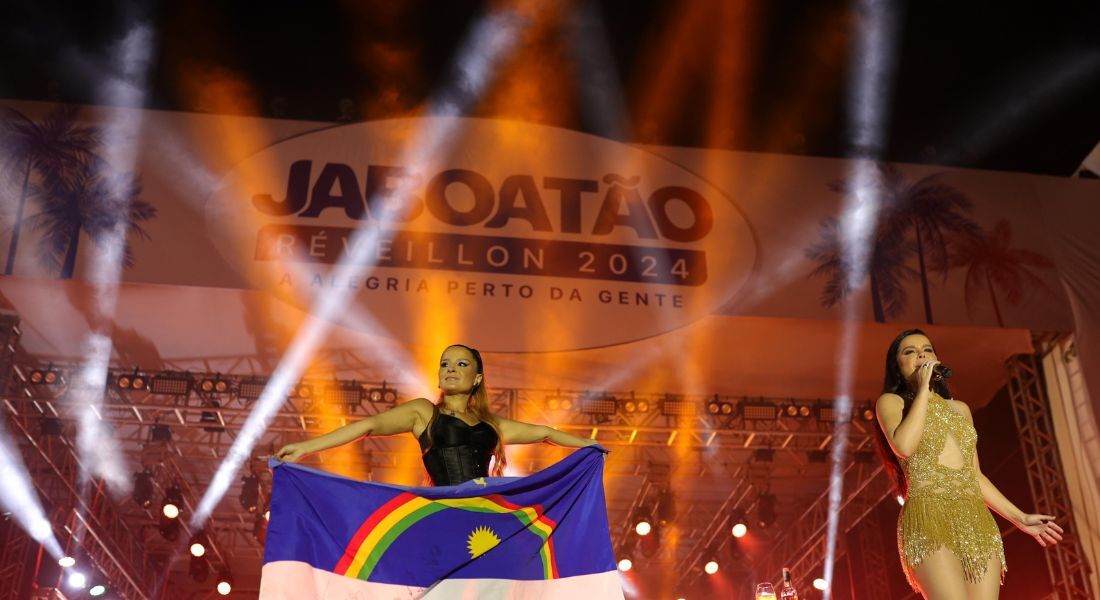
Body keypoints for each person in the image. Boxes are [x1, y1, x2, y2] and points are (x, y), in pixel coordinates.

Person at [873, 329, 1064, 599]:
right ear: (897, 365)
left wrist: (1021, 518)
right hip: (929, 515)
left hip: (975, 517)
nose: (920, 355)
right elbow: (903, 447)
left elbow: (975, 477)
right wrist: (924, 391)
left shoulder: (960, 409)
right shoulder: (891, 402)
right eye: (910, 351)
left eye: (927, 350)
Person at [274, 344, 600, 485]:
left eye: (461, 364)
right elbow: (368, 426)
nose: (450, 369)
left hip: (484, 506)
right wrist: (307, 447)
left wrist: (589, 445)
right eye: (445, 364)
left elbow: (545, 433)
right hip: (443, 506)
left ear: (477, 378)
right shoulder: (423, 412)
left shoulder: (492, 424)